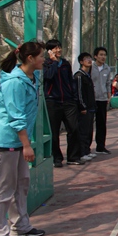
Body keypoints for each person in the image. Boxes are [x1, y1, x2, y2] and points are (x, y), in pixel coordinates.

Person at [0, 42, 47, 236]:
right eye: (41, 56)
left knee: (21, 183)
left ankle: (21, 225)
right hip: (5, 141)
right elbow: (15, 116)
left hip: (18, 141)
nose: (44, 59)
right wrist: (27, 145)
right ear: (30, 58)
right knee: (3, 188)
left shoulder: (32, 78)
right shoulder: (14, 83)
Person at [43, 39, 82, 167]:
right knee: (54, 132)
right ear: (49, 51)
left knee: (74, 128)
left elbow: (70, 81)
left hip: (68, 101)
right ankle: (57, 158)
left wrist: (74, 97)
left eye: (59, 47)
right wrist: (54, 62)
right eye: (55, 48)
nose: (58, 50)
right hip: (52, 101)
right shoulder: (45, 64)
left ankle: (73, 157)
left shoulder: (65, 64)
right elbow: (48, 76)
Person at [74, 53, 97, 162]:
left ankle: (87, 150)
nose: (89, 60)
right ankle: (82, 152)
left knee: (89, 131)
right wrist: (82, 107)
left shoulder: (88, 75)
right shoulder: (79, 76)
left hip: (91, 108)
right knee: (83, 131)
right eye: (86, 59)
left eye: (90, 58)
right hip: (84, 109)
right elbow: (78, 93)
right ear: (81, 62)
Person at [90, 47, 112, 154]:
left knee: (102, 123)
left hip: (102, 99)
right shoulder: (90, 67)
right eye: (101, 55)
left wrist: (108, 94)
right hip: (91, 99)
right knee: (89, 124)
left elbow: (108, 83)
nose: (103, 57)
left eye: (104, 55)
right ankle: (86, 148)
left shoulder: (107, 68)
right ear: (95, 56)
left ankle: (100, 146)